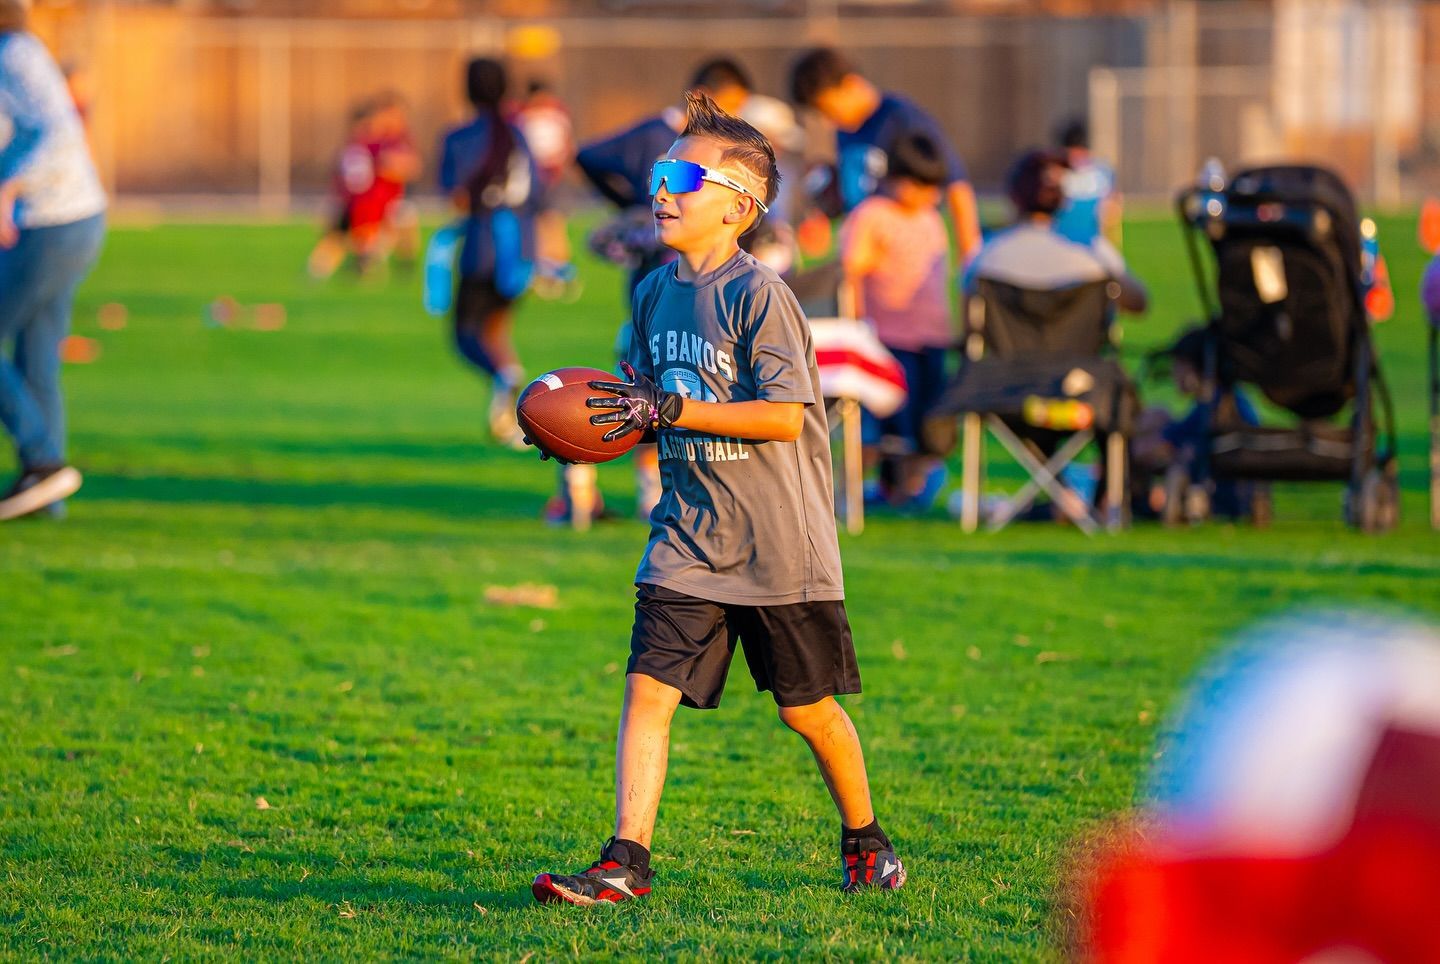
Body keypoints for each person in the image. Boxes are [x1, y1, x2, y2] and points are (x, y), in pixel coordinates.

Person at [529, 90, 905, 905]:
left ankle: (866, 840)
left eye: (681, 176)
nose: (659, 189)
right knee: (646, 690)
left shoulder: (758, 294)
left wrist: (669, 409)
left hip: (779, 546)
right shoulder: (654, 292)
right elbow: (641, 401)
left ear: (737, 208)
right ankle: (625, 860)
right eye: (660, 172)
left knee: (806, 712)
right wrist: (583, 426)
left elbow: (780, 415)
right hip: (690, 535)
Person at [0, 1, 106, 521]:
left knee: (32, 356)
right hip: (69, 219)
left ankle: (43, 461)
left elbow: (59, 134)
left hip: (54, 224)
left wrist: (9, 186)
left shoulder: (14, 54)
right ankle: (45, 499)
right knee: (37, 359)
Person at [838, 132, 954, 510]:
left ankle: (912, 488)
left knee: (928, 421)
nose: (930, 196)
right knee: (891, 427)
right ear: (896, 179)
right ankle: (884, 489)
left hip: (931, 337)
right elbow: (850, 275)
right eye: (922, 186)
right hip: (889, 338)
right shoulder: (871, 216)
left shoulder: (930, 219)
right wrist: (855, 329)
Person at [790, 47, 981, 266]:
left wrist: (970, 260)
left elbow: (957, 187)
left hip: (908, 258)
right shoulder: (844, 131)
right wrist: (824, 219)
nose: (828, 119)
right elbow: (856, 193)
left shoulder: (903, 120)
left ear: (851, 84)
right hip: (866, 253)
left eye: (829, 108)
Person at [438, 58, 543, 446]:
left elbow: (458, 197)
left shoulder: (460, 137)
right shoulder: (520, 136)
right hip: (521, 250)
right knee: (496, 330)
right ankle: (508, 420)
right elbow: (539, 197)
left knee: (466, 337)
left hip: (483, 247)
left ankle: (508, 380)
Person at [964, 149, 1146, 313]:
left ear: (1014, 196)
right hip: (1079, 350)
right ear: (1063, 198)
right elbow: (1138, 302)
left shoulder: (986, 255)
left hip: (1009, 350)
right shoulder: (1092, 252)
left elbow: (968, 315)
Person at [1052, 118, 1122, 248]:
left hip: (1091, 243)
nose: (1076, 156)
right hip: (1060, 243)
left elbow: (1112, 213)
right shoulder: (1055, 172)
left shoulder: (1102, 172)